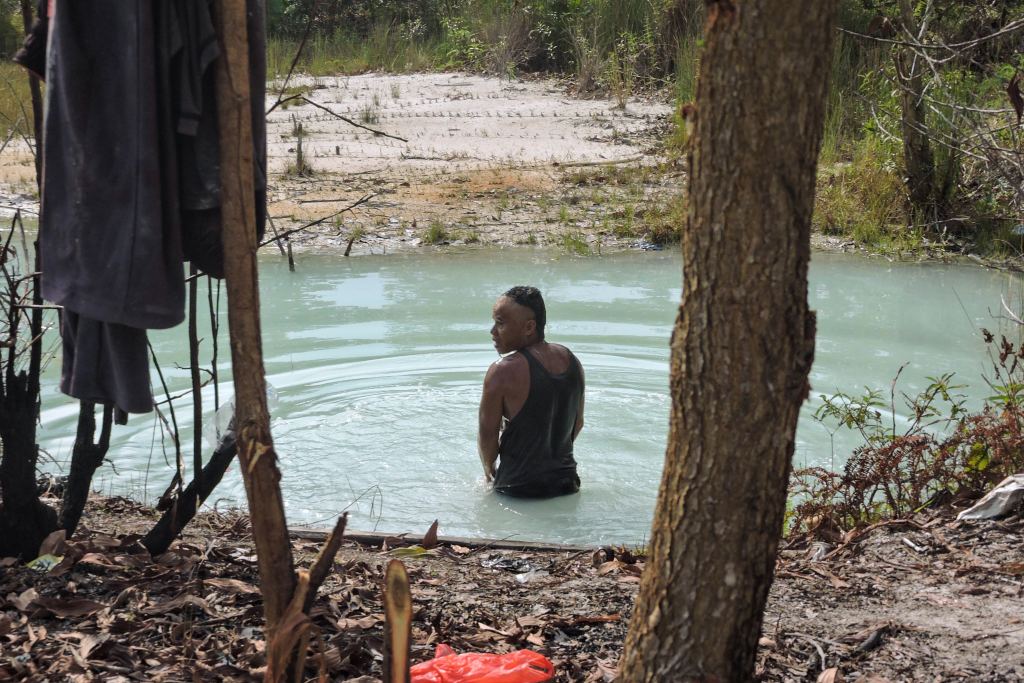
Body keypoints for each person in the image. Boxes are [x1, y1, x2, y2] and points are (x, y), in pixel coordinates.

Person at [478, 286, 585, 498]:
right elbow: (578, 423)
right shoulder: (572, 360)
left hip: (517, 490)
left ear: (529, 327)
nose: (492, 331)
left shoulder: (501, 371)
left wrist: (489, 474)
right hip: (567, 486)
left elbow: (487, 434)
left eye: (500, 323)